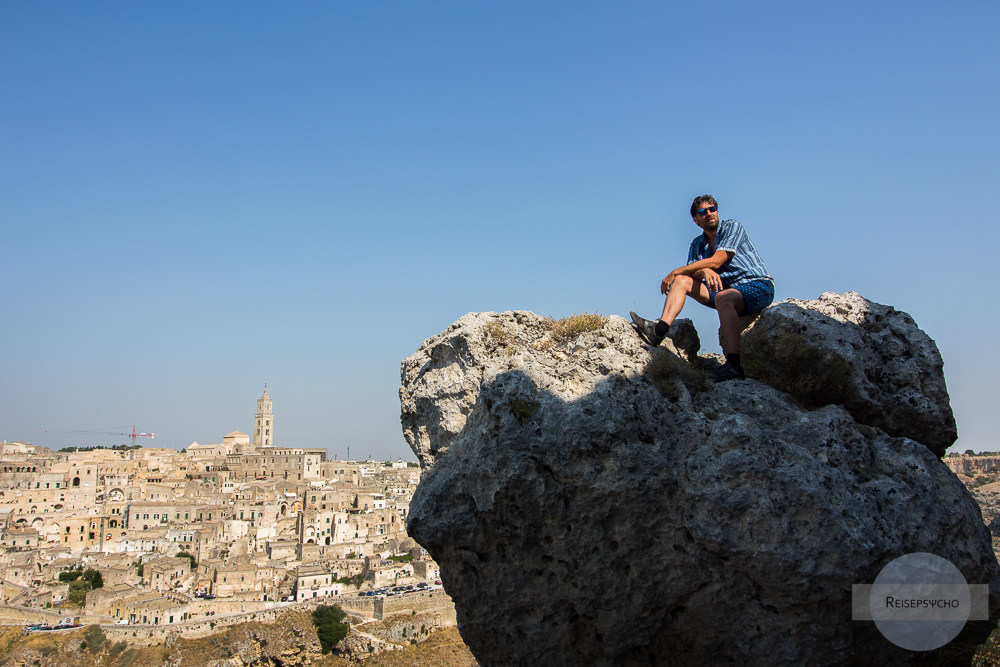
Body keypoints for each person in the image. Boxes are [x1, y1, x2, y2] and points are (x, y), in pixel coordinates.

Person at [630, 194, 774, 382]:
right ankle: (659, 330)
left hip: (757, 285)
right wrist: (703, 271)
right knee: (682, 280)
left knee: (719, 295)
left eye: (712, 209)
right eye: (702, 212)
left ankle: (733, 365)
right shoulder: (697, 244)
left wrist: (676, 271)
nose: (709, 213)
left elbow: (718, 260)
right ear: (696, 220)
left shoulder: (732, 227)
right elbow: (694, 273)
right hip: (725, 291)